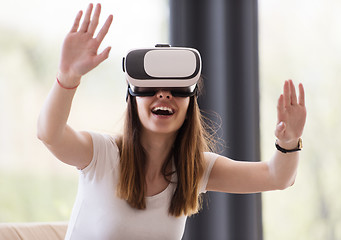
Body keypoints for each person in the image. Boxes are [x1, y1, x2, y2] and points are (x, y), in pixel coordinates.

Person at [37, 3, 307, 240]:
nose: (164, 95)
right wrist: (67, 77)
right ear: (132, 99)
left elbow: (277, 177)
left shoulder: (194, 169)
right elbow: (50, 134)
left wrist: (288, 141)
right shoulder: (101, 155)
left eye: (177, 89)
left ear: (190, 103)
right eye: (150, 89)